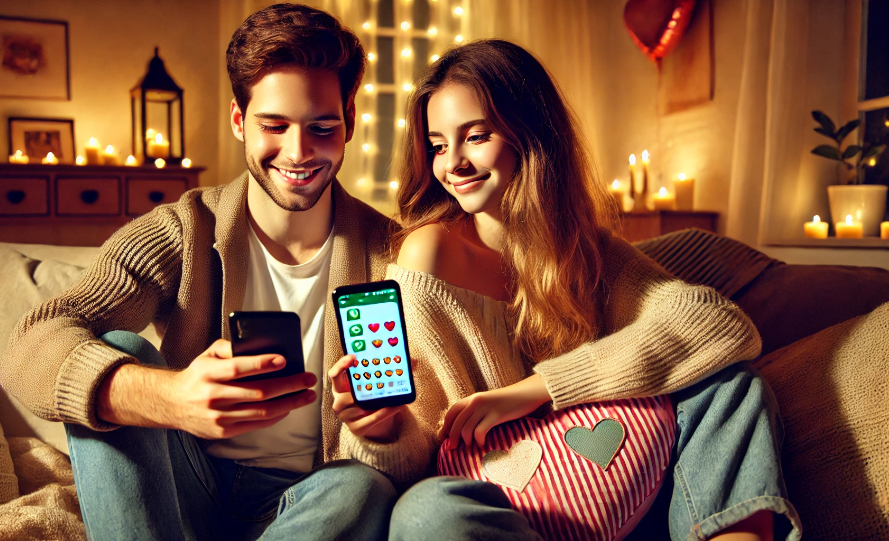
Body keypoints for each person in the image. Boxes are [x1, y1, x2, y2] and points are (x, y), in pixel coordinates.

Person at [327, 40, 801, 540]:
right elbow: (413, 463)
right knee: (425, 509)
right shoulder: (428, 255)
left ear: (530, 135)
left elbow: (719, 325)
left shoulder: (586, 249)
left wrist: (538, 391)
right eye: (439, 145)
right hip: (501, 506)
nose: (454, 163)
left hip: (620, 491)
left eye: (477, 136)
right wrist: (378, 430)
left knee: (728, 384)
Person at [0, 5, 399, 540]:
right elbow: (31, 344)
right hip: (185, 486)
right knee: (121, 349)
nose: (298, 153)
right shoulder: (183, 230)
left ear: (349, 117)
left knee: (362, 486)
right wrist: (173, 398)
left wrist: (387, 428)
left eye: (322, 127)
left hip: (313, 497)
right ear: (239, 121)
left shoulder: (395, 249)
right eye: (273, 125)